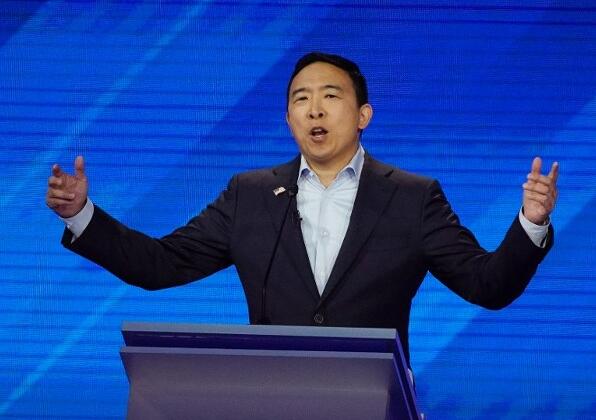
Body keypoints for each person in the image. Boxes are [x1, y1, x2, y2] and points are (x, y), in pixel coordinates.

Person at [46, 52, 558, 368]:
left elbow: (487, 285)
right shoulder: (249, 195)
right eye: (301, 99)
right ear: (289, 119)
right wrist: (81, 213)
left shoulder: (412, 197)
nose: (314, 109)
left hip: (374, 403)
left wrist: (530, 223)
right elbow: (159, 265)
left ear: (363, 115)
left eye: (330, 96)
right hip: (272, 400)